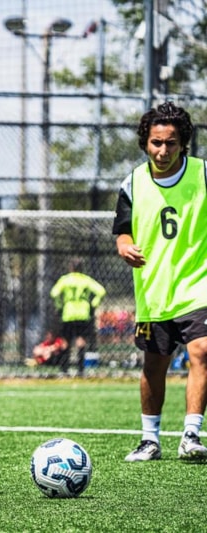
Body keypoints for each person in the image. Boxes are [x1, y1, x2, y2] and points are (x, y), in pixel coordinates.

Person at [113, 101, 207, 462]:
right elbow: (123, 231)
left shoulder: (202, 175)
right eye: (156, 143)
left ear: (183, 144)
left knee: (202, 351)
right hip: (154, 290)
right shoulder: (133, 183)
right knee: (154, 364)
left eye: (171, 143)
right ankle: (149, 440)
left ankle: (191, 435)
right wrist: (124, 247)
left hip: (198, 283)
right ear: (145, 143)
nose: (163, 151)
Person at [49, 258, 105, 375]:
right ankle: (81, 369)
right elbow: (101, 291)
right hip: (83, 313)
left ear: (71, 268)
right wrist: (93, 304)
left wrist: (60, 305)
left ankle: (64, 369)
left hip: (68, 313)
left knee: (65, 341)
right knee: (81, 341)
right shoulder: (86, 279)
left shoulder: (65, 279)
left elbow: (54, 293)